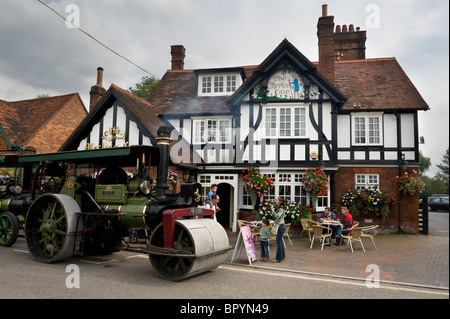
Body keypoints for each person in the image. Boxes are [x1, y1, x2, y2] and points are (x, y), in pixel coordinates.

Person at [270, 197, 286, 262]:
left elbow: (277, 216)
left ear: (280, 202)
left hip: (280, 226)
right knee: (280, 242)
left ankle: (278, 258)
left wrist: (272, 210)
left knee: (279, 242)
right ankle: (282, 256)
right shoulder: (279, 208)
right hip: (281, 226)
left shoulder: (281, 209)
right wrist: (273, 210)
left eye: (276, 200)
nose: (275, 201)